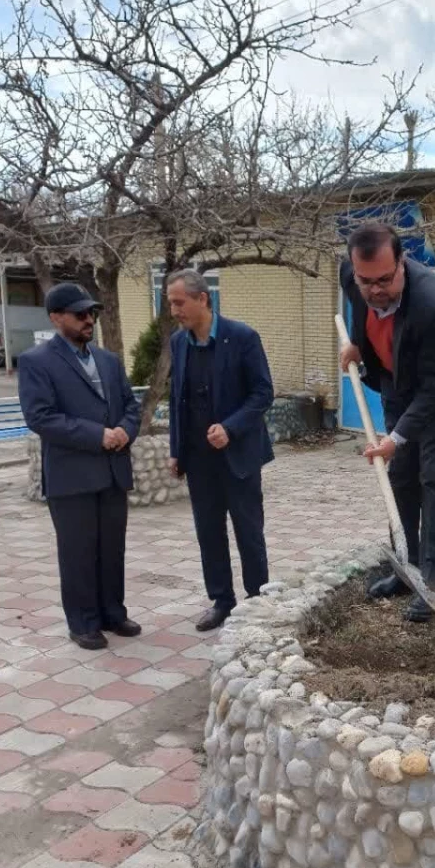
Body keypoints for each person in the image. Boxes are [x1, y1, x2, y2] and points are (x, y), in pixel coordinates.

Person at [339, 223, 435, 622]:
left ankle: (434, 581)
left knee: (433, 477)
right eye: (366, 280)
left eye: (385, 279)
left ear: (402, 262)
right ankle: (406, 569)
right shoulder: (352, 274)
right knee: (401, 476)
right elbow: (358, 307)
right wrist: (357, 343)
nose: (375, 289)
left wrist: (398, 436)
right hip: (398, 381)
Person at [18, 282, 142, 650]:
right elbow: (40, 417)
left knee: (111, 548)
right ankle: (83, 622)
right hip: (71, 475)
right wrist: (97, 435)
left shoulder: (108, 360)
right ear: (57, 318)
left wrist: (124, 430)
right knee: (78, 551)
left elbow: (130, 406)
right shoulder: (36, 362)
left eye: (93, 313)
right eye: (80, 314)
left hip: (113, 471)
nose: (90, 319)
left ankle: (112, 613)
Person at [167, 269, 275, 632]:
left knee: (248, 530)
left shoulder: (242, 337)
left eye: (179, 303)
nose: (174, 310)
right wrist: (175, 449)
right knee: (209, 532)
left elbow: (263, 393)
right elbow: (176, 399)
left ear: (202, 299)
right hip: (199, 459)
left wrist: (230, 428)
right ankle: (221, 600)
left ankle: (258, 599)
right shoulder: (179, 342)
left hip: (238, 455)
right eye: (171, 303)